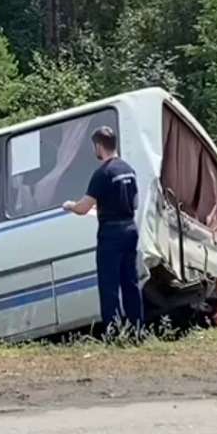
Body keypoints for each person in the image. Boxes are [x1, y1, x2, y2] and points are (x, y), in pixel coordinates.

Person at [62, 126, 143, 331]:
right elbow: (134, 203)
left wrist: (69, 205)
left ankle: (114, 332)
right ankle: (138, 329)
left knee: (109, 286)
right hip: (130, 229)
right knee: (130, 282)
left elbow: (82, 208)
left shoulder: (102, 174)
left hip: (111, 234)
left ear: (99, 146)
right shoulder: (128, 169)